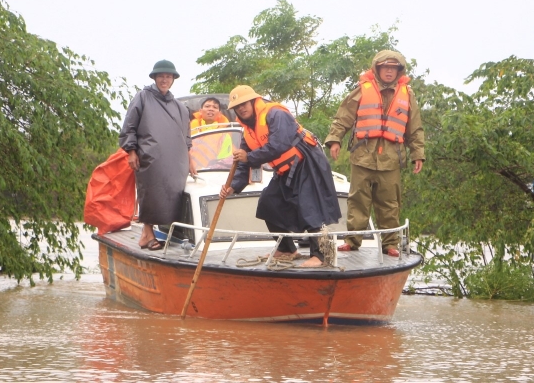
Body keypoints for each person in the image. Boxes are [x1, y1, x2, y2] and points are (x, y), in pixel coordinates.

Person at [219, 85, 341, 267]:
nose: (241, 108)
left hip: (306, 161)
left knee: (310, 207)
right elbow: (243, 162)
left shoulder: (276, 114)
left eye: (244, 103)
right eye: (237, 106)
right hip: (285, 169)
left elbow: (280, 144)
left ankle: (322, 256)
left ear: (253, 101)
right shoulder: (248, 130)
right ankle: (286, 249)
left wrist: (250, 156)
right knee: (268, 203)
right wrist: (233, 186)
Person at [324, 50, 425, 257]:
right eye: (385, 67)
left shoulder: (407, 94)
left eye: (393, 68)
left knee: (389, 203)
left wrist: (418, 154)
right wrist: (335, 139)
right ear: (377, 69)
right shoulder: (362, 89)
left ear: (399, 71)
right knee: (357, 200)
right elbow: (343, 116)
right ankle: (352, 241)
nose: (389, 72)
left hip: (391, 158)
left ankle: (390, 244)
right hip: (362, 155)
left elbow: (414, 128)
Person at [119, 59, 197, 250]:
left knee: (175, 193)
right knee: (153, 191)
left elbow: (186, 136)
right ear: (155, 78)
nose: (164, 80)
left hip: (176, 159)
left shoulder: (179, 107)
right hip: (151, 156)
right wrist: (131, 151)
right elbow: (129, 126)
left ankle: (164, 235)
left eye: (168, 76)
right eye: (161, 76)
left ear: (173, 80)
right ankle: (147, 233)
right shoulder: (143, 97)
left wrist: (190, 160)